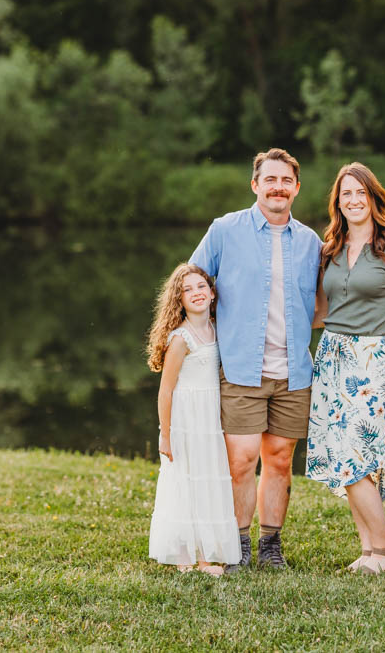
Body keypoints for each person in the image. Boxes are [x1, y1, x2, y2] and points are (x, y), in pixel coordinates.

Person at [190, 148, 322, 571]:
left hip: (294, 371)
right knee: (242, 458)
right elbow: (192, 283)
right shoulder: (225, 230)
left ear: (296, 188)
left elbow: (323, 299)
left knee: (280, 459)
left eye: (286, 181)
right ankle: (239, 545)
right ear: (255, 185)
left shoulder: (310, 242)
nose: (278, 187)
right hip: (242, 368)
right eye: (270, 180)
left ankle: (271, 545)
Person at [306, 162, 385, 575]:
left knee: (359, 455)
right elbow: (321, 311)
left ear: (373, 198)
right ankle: (369, 551)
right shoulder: (329, 247)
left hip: (373, 358)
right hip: (331, 353)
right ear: (337, 201)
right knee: (341, 457)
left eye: (361, 193)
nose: (353, 200)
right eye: (346, 194)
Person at [145, 263, 240, 576]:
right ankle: (185, 559)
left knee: (207, 483)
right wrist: (165, 433)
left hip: (211, 419)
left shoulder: (217, 328)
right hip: (187, 420)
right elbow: (166, 390)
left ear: (212, 293)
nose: (196, 293)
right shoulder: (181, 338)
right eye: (187, 290)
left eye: (201, 286)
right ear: (179, 300)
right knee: (185, 482)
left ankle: (205, 557)